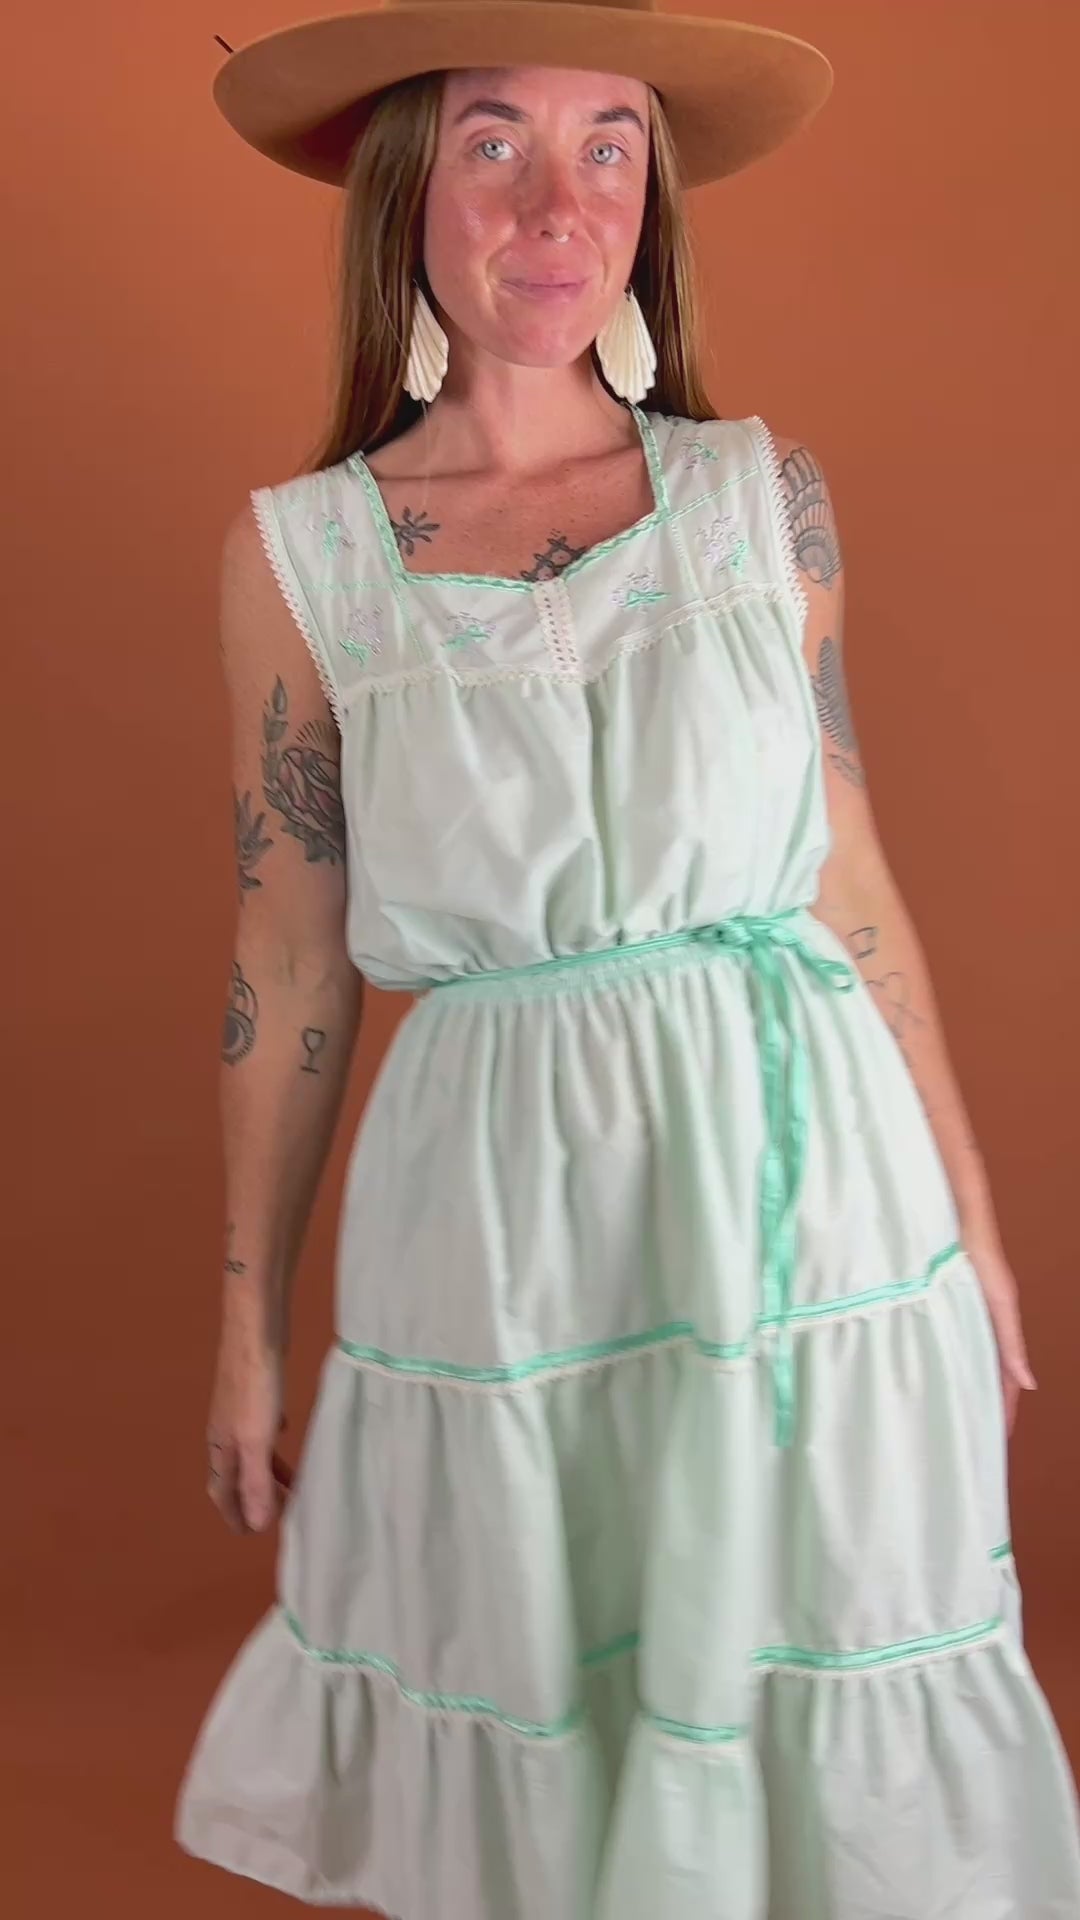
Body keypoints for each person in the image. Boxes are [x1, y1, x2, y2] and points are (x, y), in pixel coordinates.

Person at [175, 4, 1080, 1915]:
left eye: (611, 145)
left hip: (798, 1195)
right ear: (402, 191)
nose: (560, 206)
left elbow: (846, 867)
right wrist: (248, 1333)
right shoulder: (305, 562)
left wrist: (972, 1222)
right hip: (494, 1219)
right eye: (494, 142)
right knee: (541, 1667)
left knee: (803, 1649)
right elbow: (294, 968)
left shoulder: (763, 499)